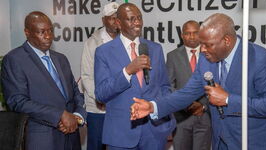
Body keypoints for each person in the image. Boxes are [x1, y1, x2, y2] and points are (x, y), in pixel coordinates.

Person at [131, 13, 266, 150]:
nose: (202, 50)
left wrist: (227, 99)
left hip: (256, 143)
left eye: (208, 45)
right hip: (222, 142)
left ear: (226, 40)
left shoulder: (260, 59)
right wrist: (153, 107)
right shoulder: (207, 60)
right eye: (201, 44)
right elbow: (186, 93)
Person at [94, 3, 176, 150]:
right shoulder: (103, 52)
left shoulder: (155, 49)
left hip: (154, 132)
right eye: (131, 19)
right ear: (118, 23)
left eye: (139, 18)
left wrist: (161, 112)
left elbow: (164, 86)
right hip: (121, 134)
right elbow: (101, 94)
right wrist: (127, 71)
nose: (137, 22)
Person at [1, 11, 86, 150]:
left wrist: (78, 116)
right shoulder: (14, 60)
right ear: (27, 32)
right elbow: (17, 101)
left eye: (50, 31)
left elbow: (75, 92)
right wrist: (59, 115)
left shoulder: (61, 58)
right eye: (41, 32)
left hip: (72, 137)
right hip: (42, 139)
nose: (48, 36)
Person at [166, 20, 211, 150]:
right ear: (182, 35)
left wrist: (203, 106)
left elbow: (217, 84)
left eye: (195, 33)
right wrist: (185, 104)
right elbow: (168, 85)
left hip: (205, 116)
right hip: (181, 118)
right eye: (187, 33)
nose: (191, 37)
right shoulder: (172, 56)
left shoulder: (210, 55)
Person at [81, 2, 119, 150]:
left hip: (120, 108)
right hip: (98, 108)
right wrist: (100, 96)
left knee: (117, 145)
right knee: (96, 146)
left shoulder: (126, 42)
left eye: (118, 18)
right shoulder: (92, 43)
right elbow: (86, 76)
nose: (116, 21)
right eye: (112, 18)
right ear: (103, 20)